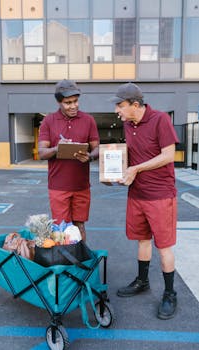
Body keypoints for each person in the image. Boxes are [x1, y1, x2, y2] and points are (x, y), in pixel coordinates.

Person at [110, 82, 179, 320]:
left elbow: (168, 155)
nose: (117, 110)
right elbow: (129, 156)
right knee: (142, 240)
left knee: (164, 246)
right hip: (137, 194)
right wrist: (115, 173)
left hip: (160, 195)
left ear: (135, 105)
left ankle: (170, 293)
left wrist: (136, 169)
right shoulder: (129, 125)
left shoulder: (160, 120)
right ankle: (143, 281)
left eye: (120, 105)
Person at [38, 79, 99, 241]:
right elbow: (42, 152)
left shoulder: (88, 120)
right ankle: (64, 264)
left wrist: (90, 156)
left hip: (81, 186)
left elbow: (97, 148)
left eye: (76, 101)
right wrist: (58, 148)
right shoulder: (49, 121)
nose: (73, 106)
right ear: (59, 103)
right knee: (61, 229)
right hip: (58, 187)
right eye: (68, 103)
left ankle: (81, 263)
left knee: (79, 226)